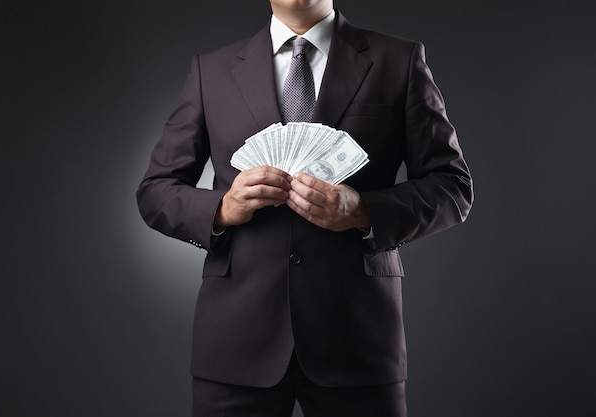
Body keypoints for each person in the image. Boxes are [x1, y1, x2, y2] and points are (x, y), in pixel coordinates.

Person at [136, 1, 473, 416]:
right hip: (236, 340)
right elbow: (155, 191)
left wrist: (364, 211)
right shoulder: (212, 69)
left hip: (358, 338)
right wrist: (222, 208)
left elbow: (452, 186)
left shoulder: (398, 60)